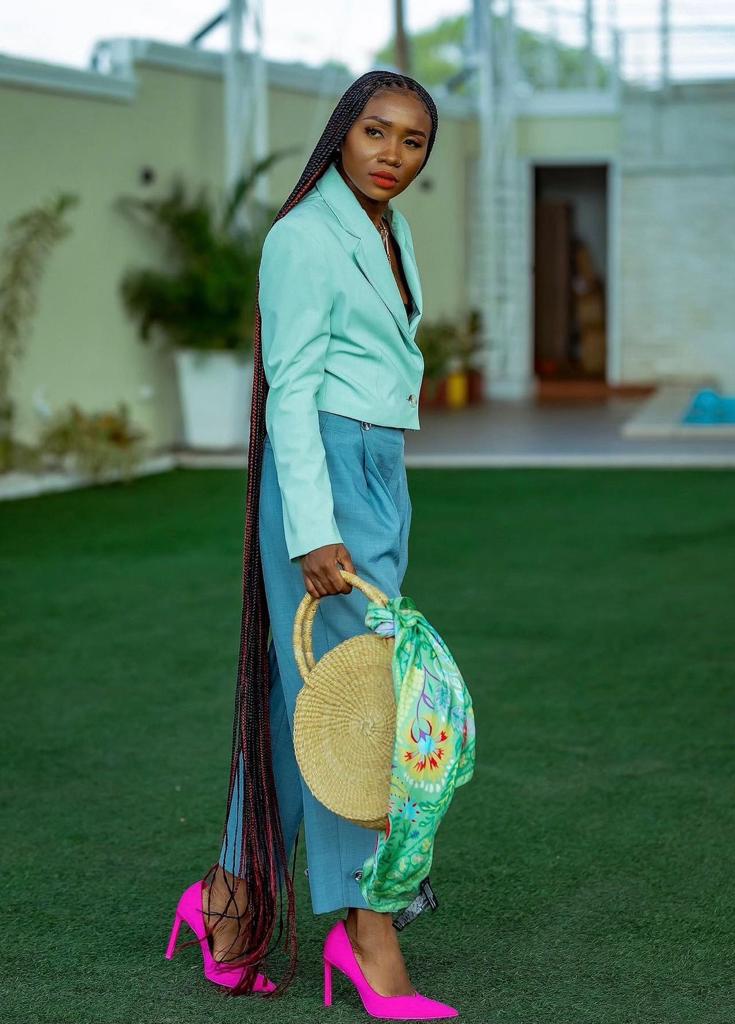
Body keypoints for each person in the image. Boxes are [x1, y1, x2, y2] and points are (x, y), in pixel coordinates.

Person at [163, 70, 458, 1019]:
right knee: (355, 707)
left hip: (377, 467)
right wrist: (314, 529)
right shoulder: (302, 235)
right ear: (342, 131)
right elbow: (288, 387)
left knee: (316, 698)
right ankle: (368, 930)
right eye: (376, 131)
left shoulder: (387, 229)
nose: (392, 154)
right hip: (324, 473)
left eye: (413, 140)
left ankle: (228, 892)